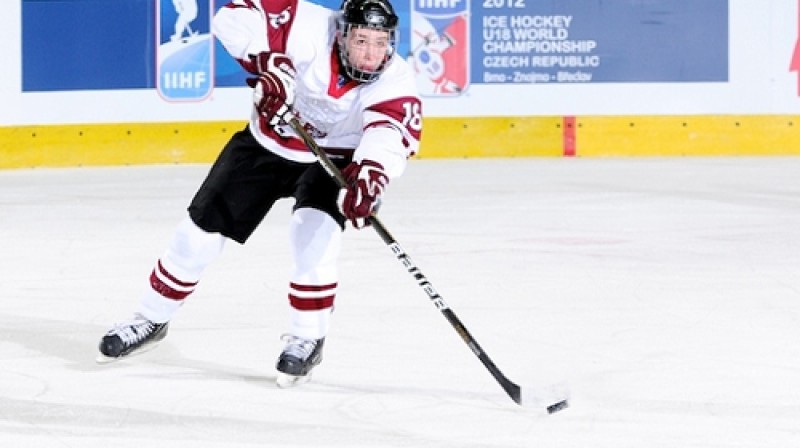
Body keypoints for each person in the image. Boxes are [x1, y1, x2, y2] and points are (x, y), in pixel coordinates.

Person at [97, 0, 423, 385]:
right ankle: (150, 318)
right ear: (342, 33)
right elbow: (232, 16)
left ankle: (307, 339)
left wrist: (371, 175)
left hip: (332, 160)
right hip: (266, 146)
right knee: (196, 236)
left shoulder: (397, 79)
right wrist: (268, 62)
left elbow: (388, 133)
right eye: (361, 40)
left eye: (380, 42)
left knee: (312, 237)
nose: (371, 54)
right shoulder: (305, 25)